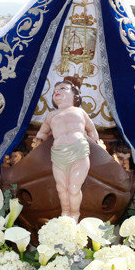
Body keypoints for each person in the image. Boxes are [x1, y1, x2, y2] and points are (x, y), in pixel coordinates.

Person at [34, 80, 102, 220]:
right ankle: (65, 214)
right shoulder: (51, 116)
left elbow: (92, 130)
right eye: (54, 91)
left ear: (75, 95)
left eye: (62, 88)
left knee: (74, 188)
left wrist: (98, 145)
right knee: (61, 188)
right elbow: (42, 133)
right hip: (58, 154)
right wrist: (38, 140)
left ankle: (75, 215)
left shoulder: (79, 111)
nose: (56, 92)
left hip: (79, 151)